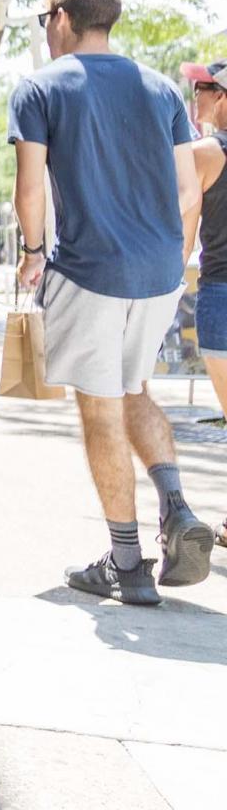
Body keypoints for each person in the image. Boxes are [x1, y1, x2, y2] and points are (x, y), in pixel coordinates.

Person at [9, 0, 210, 607]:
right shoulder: (160, 89)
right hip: (156, 274)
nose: (46, 33)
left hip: (89, 269)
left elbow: (30, 188)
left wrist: (33, 252)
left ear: (63, 18)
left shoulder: (41, 87)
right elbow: (188, 190)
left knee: (98, 408)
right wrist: (170, 264)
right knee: (134, 390)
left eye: (45, 21)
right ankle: (175, 505)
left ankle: (127, 563)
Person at [178, 58, 226, 543]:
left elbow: (183, 236)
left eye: (204, 89)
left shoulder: (205, 153)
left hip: (222, 294)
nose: (197, 98)